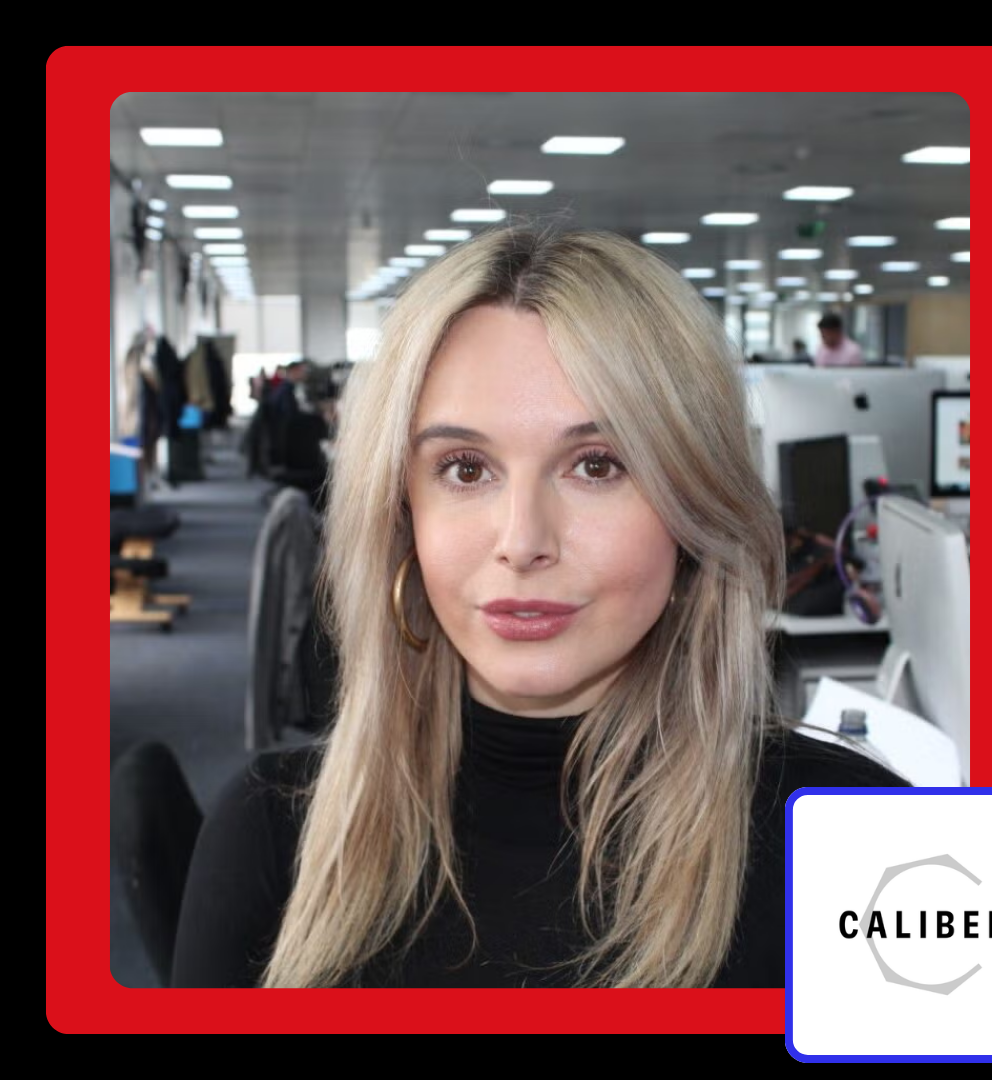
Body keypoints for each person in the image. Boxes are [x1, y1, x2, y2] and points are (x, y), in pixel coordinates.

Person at [173, 227, 906, 990]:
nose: (522, 542)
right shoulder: (269, 834)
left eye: (597, 465)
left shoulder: (862, 841)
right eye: (465, 469)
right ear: (401, 516)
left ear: (694, 510)